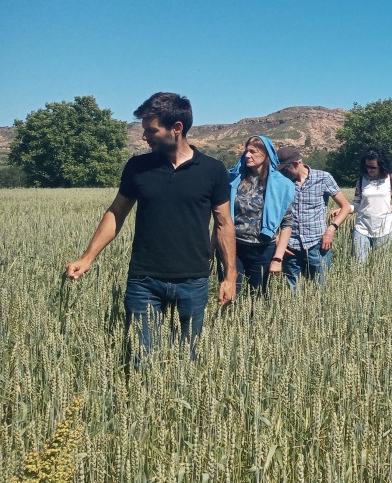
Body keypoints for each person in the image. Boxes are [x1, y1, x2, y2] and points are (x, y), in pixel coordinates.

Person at [64, 92, 236, 360]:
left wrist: (230, 276)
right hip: (144, 281)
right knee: (141, 362)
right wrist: (88, 258)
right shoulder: (137, 166)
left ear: (176, 128)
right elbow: (116, 213)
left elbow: (224, 225)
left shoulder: (213, 170)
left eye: (150, 130)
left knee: (185, 362)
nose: (144, 137)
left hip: (193, 280)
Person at [226, 135, 296, 298]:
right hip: (233, 247)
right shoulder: (235, 180)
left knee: (258, 298)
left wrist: (278, 258)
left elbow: (287, 224)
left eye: (253, 152)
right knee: (229, 295)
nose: (247, 155)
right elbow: (221, 217)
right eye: (246, 151)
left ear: (266, 155)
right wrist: (214, 245)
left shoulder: (281, 185)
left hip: (263, 250)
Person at [276, 147, 352, 288]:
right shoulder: (282, 183)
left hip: (317, 245)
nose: (282, 174)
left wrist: (331, 229)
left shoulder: (323, 178)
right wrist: (277, 238)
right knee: (292, 293)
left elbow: (345, 207)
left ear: (296, 164)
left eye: (285, 169)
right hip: (290, 247)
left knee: (321, 290)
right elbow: (274, 212)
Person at [351, 147, 392, 264]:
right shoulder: (361, 180)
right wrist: (344, 209)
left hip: (385, 229)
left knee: (380, 265)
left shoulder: (391, 179)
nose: (369, 170)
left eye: (373, 167)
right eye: (367, 166)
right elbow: (357, 204)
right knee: (358, 265)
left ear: (381, 165)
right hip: (362, 228)